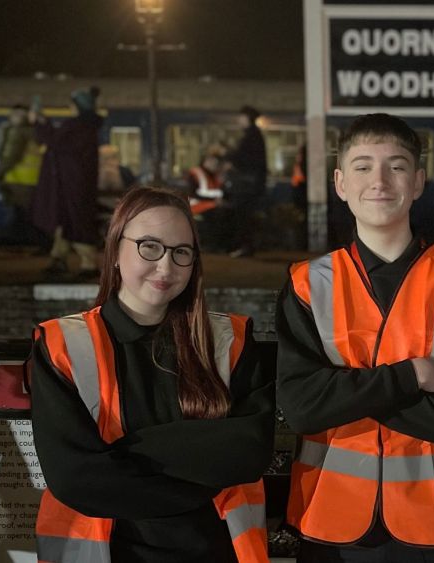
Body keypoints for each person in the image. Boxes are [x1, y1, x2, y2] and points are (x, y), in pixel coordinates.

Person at [276, 113, 434, 563]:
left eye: (396, 166)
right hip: (332, 519)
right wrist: (411, 375)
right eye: (362, 166)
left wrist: (345, 393)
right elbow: (301, 409)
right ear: (340, 182)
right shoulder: (308, 284)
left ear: (417, 181)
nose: (379, 180)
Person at [30, 186, 274, 563]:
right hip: (107, 553)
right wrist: (203, 475)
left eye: (181, 252)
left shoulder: (228, 340)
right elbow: (74, 478)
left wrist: (120, 453)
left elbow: (250, 450)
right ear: (114, 250)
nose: (166, 267)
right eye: (149, 246)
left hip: (216, 552)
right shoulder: (63, 346)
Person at [30, 86, 104, 280]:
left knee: (74, 221)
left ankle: (88, 263)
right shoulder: (88, 127)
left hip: (71, 183)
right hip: (78, 181)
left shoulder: (76, 126)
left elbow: (54, 141)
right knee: (66, 220)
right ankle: (58, 258)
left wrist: (40, 123)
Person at [0, 103, 43, 245]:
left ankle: (20, 242)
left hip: (18, 180)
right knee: (28, 214)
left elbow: (11, 157)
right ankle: (32, 242)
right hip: (33, 180)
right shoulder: (35, 132)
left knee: (19, 214)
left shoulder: (17, 132)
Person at [224, 105, 267, 257]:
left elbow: (246, 159)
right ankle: (246, 247)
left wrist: (231, 160)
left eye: (241, 117)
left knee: (243, 217)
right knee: (246, 217)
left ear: (247, 118)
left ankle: (245, 247)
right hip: (251, 185)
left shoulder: (251, 136)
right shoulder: (255, 135)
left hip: (247, 186)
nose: (239, 120)